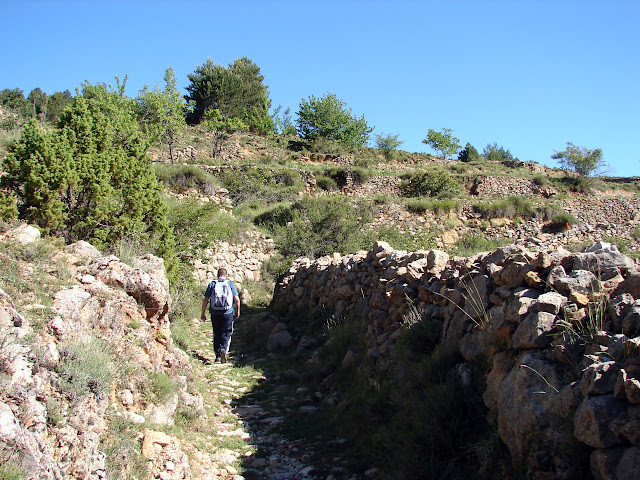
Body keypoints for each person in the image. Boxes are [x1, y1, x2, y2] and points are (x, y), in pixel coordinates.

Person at [201, 268, 240, 363]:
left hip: (215, 312)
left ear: (217, 275)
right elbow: (237, 300)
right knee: (226, 332)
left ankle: (218, 355)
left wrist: (203, 313)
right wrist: (237, 311)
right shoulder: (230, 284)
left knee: (216, 332)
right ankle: (224, 350)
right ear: (226, 275)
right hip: (227, 312)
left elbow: (206, 299)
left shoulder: (212, 284)